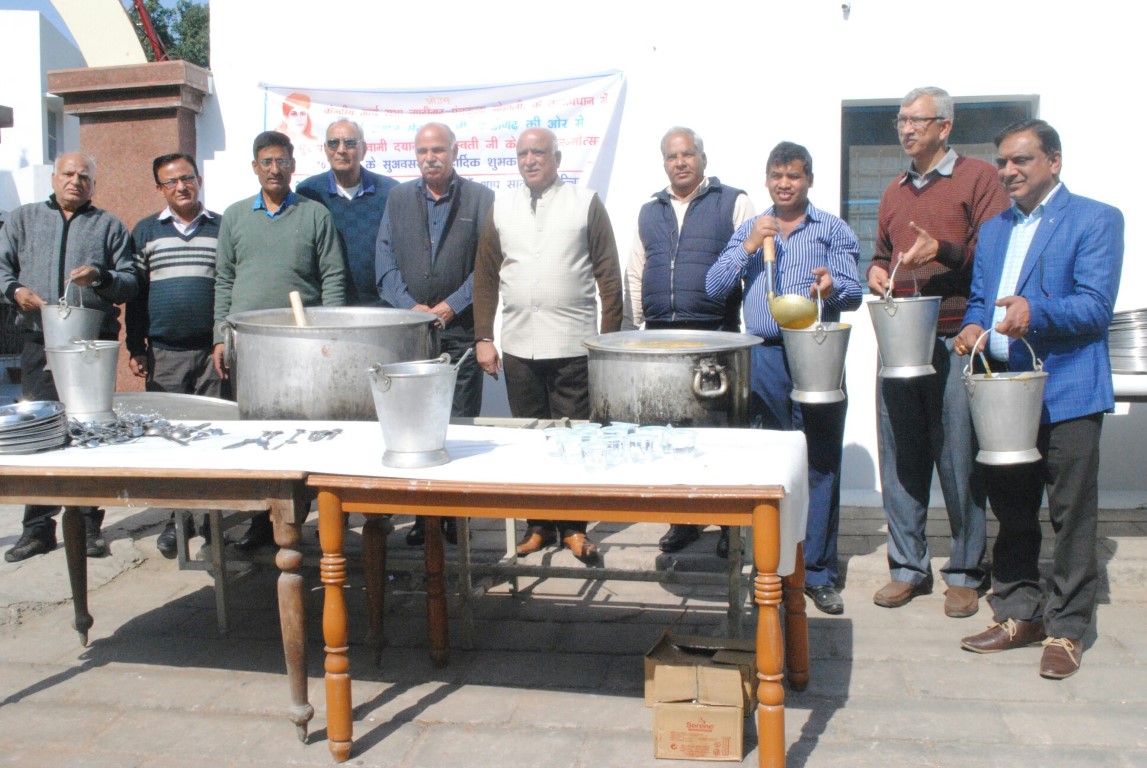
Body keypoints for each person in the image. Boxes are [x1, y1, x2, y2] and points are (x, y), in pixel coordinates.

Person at [955, 119, 1123, 679]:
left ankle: (1068, 627)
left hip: (1068, 390)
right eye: (1003, 161)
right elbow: (981, 299)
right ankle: (1018, 611)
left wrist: (1036, 312)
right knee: (1012, 509)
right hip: (1005, 395)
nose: (1009, 171)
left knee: (1072, 514)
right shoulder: (997, 228)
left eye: (1022, 160)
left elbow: (1096, 308)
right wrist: (974, 328)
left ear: (1054, 161)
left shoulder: (1096, 219)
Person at [866, 86, 1010, 617]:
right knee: (902, 456)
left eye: (917, 120)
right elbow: (881, 256)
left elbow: (994, 258)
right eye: (900, 120)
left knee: (958, 458)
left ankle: (967, 570)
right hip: (900, 338)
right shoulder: (893, 192)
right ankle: (907, 567)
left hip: (955, 338)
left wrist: (942, 251)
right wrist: (876, 271)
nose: (906, 129)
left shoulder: (978, 179)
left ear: (944, 127)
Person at [707, 141, 861, 614]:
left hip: (816, 351)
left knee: (819, 461)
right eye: (776, 175)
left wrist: (832, 286)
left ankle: (817, 572)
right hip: (766, 357)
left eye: (793, 175)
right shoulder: (752, 230)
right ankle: (770, 566)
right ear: (767, 179)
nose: (784, 184)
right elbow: (714, 288)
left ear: (809, 179)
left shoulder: (831, 229)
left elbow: (853, 293)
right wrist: (750, 246)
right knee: (772, 464)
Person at [472, 127, 623, 561]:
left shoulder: (585, 203)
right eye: (523, 154)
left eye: (539, 152)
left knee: (574, 442)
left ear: (557, 158)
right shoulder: (502, 208)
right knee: (529, 441)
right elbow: (485, 276)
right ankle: (538, 525)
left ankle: (574, 528)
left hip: (574, 347)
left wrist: (607, 346)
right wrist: (485, 336)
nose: (530, 160)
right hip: (519, 347)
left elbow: (609, 279)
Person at [624, 126, 754, 558]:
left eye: (687, 154)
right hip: (662, 338)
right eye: (671, 156)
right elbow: (637, 269)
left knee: (720, 436)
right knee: (672, 436)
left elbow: (748, 263)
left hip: (713, 334)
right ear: (664, 162)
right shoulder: (649, 210)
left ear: (703, 157)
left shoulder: (733, 202)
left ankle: (729, 528)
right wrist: (640, 324)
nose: (680, 162)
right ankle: (684, 520)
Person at [0, 152, 138, 561]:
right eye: (68, 174)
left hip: (89, 345)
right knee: (38, 428)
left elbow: (130, 281)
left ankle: (89, 523)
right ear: (54, 178)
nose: (76, 181)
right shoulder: (23, 219)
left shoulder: (109, 225)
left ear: (94, 184)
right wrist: (14, 292)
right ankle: (38, 528)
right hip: (37, 339)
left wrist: (101, 277)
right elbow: (1, 268)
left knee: (88, 430)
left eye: (84, 176)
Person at [213, 131, 347, 551]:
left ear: (293, 165)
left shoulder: (314, 215)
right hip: (248, 343)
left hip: (301, 343)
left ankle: (318, 518)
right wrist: (222, 335)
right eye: (266, 162)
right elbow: (223, 279)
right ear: (255, 167)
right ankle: (261, 520)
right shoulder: (234, 217)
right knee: (256, 432)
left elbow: (333, 278)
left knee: (309, 428)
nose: (275, 169)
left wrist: (332, 335)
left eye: (282, 161)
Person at [375, 122, 494, 547]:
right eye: (423, 150)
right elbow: (384, 262)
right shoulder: (398, 198)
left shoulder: (480, 198)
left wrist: (448, 307)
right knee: (415, 429)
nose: (431, 157)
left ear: (455, 152)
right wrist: (411, 310)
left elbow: (487, 264)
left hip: (459, 333)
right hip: (411, 336)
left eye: (439, 149)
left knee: (457, 426)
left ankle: (453, 518)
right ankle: (424, 518)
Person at [126, 153, 224, 557]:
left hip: (212, 355)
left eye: (187, 178)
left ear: (198, 180)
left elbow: (229, 284)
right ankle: (178, 520)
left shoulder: (222, 227)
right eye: (171, 182)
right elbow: (136, 295)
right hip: (165, 354)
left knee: (217, 440)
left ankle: (215, 520)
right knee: (171, 441)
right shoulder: (146, 230)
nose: (181, 187)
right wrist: (136, 346)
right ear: (159, 189)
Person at [297, 118, 398, 306]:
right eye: (333, 143)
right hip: (324, 304)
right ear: (326, 150)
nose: (341, 150)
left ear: (364, 150)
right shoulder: (308, 192)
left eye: (350, 143)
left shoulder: (390, 191)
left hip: (380, 305)